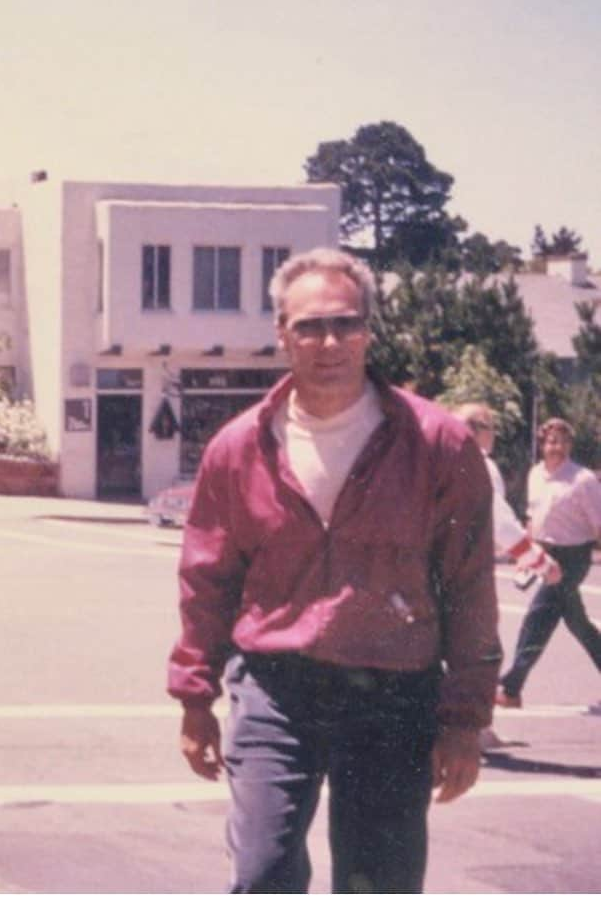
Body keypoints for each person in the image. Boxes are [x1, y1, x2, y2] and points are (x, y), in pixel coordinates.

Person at [167, 248, 501, 894]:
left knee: (377, 883)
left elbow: (467, 588)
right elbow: (205, 580)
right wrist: (193, 696)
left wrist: (463, 718)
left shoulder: (436, 442)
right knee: (261, 872)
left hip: (392, 690)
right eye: (309, 326)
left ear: (369, 331)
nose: (329, 341)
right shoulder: (238, 447)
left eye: (345, 324)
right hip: (275, 689)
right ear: (280, 333)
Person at [452, 403, 561, 750]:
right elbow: (500, 522)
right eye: (490, 427)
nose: (494, 435)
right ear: (477, 429)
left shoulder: (429, 461)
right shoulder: (480, 464)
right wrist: (539, 561)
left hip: (425, 570)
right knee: (482, 653)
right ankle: (477, 731)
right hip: (466, 572)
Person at [496, 417, 601, 708]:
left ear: (570, 445)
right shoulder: (535, 475)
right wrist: (526, 555)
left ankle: (511, 687)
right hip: (544, 553)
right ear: (543, 444)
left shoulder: (583, 480)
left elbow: (599, 525)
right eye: (552, 441)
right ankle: (512, 687)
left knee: (538, 618)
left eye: (564, 441)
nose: (558, 447)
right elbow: (532, 517)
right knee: (579, 624)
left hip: (574, 557)